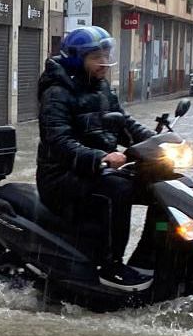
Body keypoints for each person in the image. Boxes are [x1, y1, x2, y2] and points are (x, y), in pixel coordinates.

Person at [35, 26, 155, 291]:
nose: (104, 62)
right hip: (61, 177)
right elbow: (59, 141)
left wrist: (157, 141)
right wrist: (102, 157)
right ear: (78, 59)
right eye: (96, 57)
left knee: (155, 185)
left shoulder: (101, 88)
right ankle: (109, 266)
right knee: (119, 189)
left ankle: (153, 256)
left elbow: (124, 123)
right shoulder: (57, 93)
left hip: (94, 171)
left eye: (106, 55)